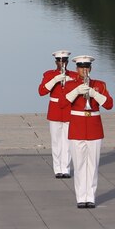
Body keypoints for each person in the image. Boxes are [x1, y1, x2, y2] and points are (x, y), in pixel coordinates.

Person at [63, 55, 113, 208]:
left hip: (94, 128)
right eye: (81, 67)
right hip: (77, 128)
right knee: (79, 165)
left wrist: (94, 94)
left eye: (86, 67)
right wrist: (76, 92)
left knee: (92, 165)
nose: (84, 70)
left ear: (90, 68)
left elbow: (109, 105)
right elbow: (62, 104)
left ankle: (90, 197)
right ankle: (80, 197)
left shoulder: (99, 84)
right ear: (77, 69)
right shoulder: (70, 84)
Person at [38, 50, 75, 178]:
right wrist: (55, 80)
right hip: (55, 111)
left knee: (68, 141)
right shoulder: (49, 74)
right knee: (56, 141)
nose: (62, 63)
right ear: (55, 62)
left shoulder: (74, 75)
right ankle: (57, 168)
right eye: (59, 61)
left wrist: (71, 81)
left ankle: (66, 169)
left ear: (67, 62)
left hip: (69, 110)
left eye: (64, 61)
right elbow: (41, 91)